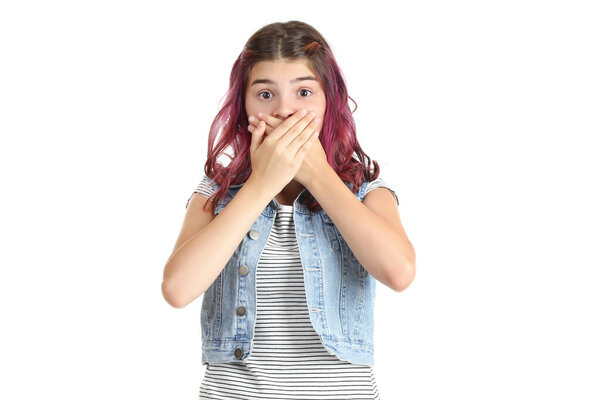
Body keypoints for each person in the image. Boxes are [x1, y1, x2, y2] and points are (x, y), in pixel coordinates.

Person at [161, 20, 416, 400]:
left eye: (303, 92)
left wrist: (316, 173)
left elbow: (399, 274)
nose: (285, 110)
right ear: (243, 105)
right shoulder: (217, 191)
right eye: (266, 94)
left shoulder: (367, 191)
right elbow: (177, 290)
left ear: (329, 100)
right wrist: (261, 183)